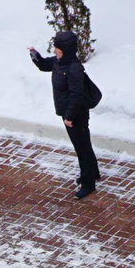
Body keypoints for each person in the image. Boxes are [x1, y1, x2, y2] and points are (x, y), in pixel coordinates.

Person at [27, 30, 101, 199]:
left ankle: (88, 183)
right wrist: (34, 55)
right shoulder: (60, 62)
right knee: (84, 144)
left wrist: (69, 117)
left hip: (76, 115)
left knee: (82, 148)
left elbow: (77, 95)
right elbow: (45, 65)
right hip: (69, 113)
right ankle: (92, 173)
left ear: (65, 49)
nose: (54, 51)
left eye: (57, 48)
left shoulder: (73, 68)